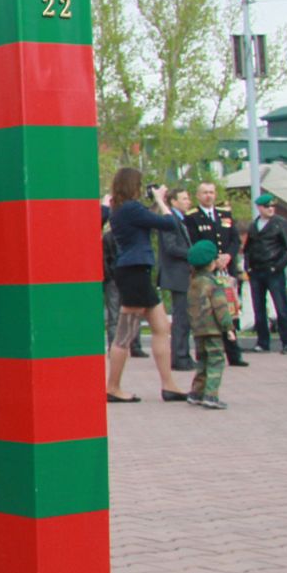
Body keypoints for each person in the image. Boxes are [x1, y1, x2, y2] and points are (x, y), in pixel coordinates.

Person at [104, 169, 189, 404]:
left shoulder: (120, 208)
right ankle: (112, 386)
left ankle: (168, 385)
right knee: (124, 334)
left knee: (161, 327)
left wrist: (154, 203)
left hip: (135, 271)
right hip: (134, 272)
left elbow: (147, 219)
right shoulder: (131, 208)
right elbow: (170, 223)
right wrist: (161, 199)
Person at [184, 182, 248, 367]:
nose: (208, 196)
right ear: (198, 196)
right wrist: (212, 259)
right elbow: (194, 243)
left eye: (211, 192)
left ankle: (234, 354)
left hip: (227, 268)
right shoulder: (192, 217)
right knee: (209, 311)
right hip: (206, 270)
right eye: (204, 193)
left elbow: (235, 240)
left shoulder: (225, 215)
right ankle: (206, 354)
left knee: (231, 310)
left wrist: (228, 255)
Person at [243, 193, 287, 353]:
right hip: (256, 272)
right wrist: (248, 267)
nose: (271, 209)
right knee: (258, 308)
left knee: (281, 307)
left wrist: (277, 266)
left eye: (273, 206)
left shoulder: (281, 224)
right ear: (259, 208)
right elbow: (248, 249)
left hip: (273, 271)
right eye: (267, 207)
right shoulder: (254, 225)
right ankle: (262, 342)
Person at [184, 239, 233, 409]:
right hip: (213, 330)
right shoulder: (213, 283)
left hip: (198, 330)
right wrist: (229, 328)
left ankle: (196, 393)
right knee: (216, 361)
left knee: (202, 361)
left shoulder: (193, 283)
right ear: (212, 264)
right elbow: (220, 308)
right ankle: (211, 395)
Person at [157, 187, 196, 371]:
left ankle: (184, 355)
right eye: (184, 198)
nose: (188, 202)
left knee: (185, 317)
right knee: (181, 317)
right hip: (177, 274)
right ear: (173, 201)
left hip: (182, 274)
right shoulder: (170, 219)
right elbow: (171, 247)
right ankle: (180, 357)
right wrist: (193, 254)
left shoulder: (181, 220)